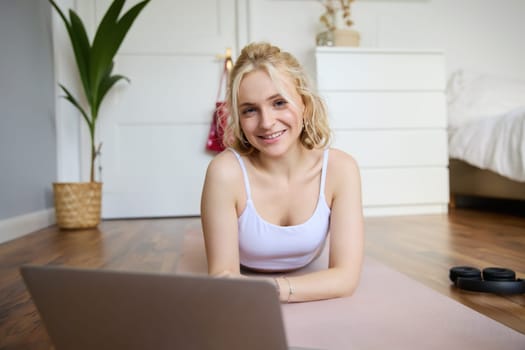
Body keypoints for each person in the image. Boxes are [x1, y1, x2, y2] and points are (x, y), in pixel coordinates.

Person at [200, 42, 364, 303]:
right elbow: (222, 277)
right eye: (250, 110)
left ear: (305, 104)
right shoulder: (224, 173)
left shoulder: (341, 169)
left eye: (278, 102)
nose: (266, 122)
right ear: (239, 119)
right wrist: (297, 288)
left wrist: (273, 291)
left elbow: (345, 277)